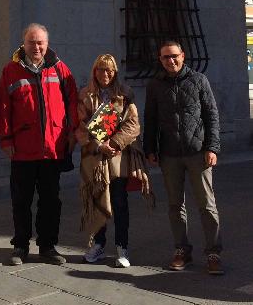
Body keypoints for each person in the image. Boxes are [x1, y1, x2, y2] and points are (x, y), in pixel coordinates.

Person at [0, 23, 78, 266]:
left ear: (47, 44)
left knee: (51, 200)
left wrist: (72, 133)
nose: (37, 47)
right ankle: (20, 246)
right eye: (32, 42)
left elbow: (72, 101)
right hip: (22, 149)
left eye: (41, 42)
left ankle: (48, 246)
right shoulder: (11, 71)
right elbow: (3, 108)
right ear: (24, 44)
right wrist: (6, 139)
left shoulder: (60, 69)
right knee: (21, 200)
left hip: (53, 148)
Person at [144, 41, 223, 275]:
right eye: (166, 57)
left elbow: (212, 115)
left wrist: (212, 148)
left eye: (174, 56)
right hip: (169, 154)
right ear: (160, 59)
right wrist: (151, 149)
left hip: (198, 152)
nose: (171, 61)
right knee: (175, 205)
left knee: (207, 205)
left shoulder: (199, 80)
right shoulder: (155, 85)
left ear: (183, 56)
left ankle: (213, 252)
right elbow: (151, 119)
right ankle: (182, 250)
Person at [76, 54, 151, 268]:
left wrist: (115, 143)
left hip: (118, 158)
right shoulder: (85, 94)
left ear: (115, 72)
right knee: (97, 200)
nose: (105, 74)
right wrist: (99, 145)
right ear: (94, 71)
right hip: (95, 159)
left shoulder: (124, 94)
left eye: (109, 70)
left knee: (119, 202)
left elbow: (133, 125)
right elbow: (80, 128)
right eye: (101, 69)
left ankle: (121, 247)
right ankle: (98, 245)